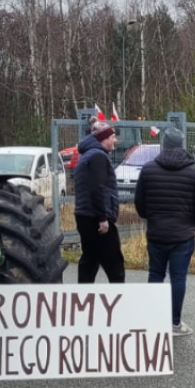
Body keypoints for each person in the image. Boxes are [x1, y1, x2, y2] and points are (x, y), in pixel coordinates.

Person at [135, 127, 195, 335]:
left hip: (156, 233)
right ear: (181, 145)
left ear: (163, 145)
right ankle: (175, 323)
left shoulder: (148, 169)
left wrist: (153, 218)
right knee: (178, 278)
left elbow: (139, 204)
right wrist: (190, 223)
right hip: (182, 236)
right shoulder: (193, 172)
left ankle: (153, 320)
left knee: (155, 275)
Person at [73, 121, 125, 283]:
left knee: (90, 259)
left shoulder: (88, 154)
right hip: (96, 217)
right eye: (112, 137)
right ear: (103, 139)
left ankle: (83, 298)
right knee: (114, 262)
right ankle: (118, 299)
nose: (115, 140)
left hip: (85, 214)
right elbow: (97, 188)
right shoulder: (98, 156)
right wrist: (103, 218)